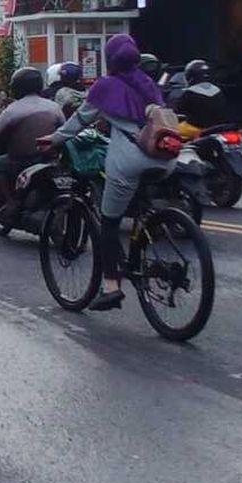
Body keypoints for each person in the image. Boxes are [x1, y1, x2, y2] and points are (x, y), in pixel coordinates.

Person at [39, 35, 174, 311]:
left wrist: (53, 139)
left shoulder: (105, 86)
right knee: (137, 208)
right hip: (164, 160)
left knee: (110, 224)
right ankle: (143, 244)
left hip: (129, 160)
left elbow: (79, 120)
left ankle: (111, 286)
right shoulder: (148, 83)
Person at [0, 67, 65, 222]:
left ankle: (11, 202)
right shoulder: (53, 106)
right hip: (49, 159)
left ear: (17, 87)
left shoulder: (13, 110)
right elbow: (64, 127)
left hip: (24, 160)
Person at [176, 59, 228, 133]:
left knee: (173, 133)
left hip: (196, 128)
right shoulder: (218, 90)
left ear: (190, 75)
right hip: (218, 127)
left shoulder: (190, 92)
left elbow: (180, 111)